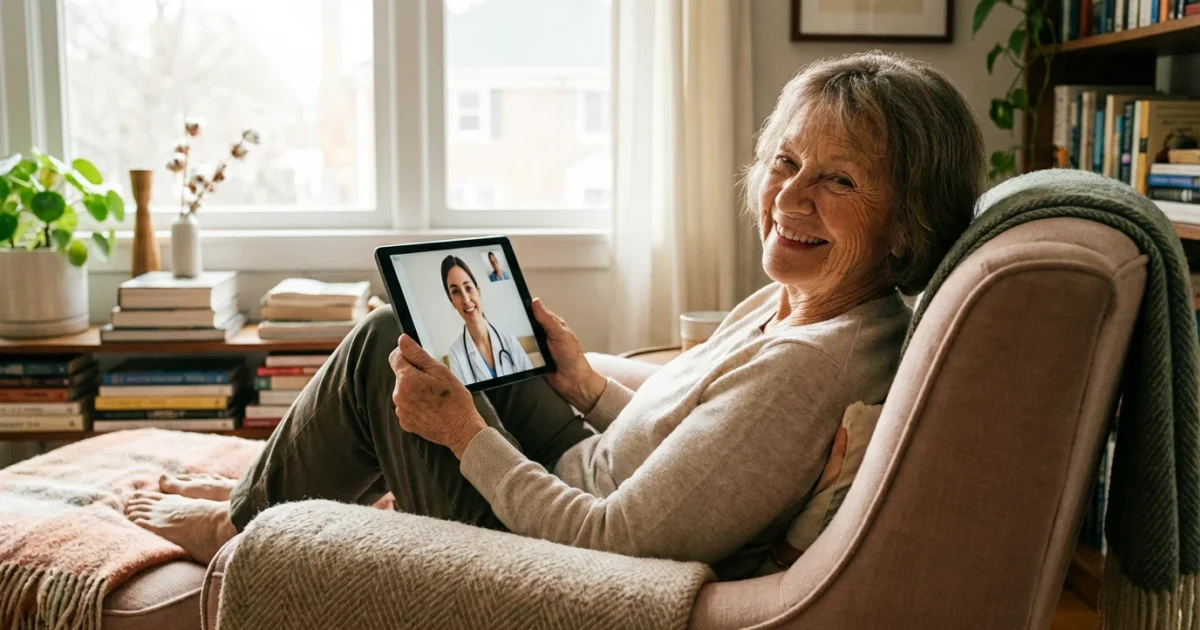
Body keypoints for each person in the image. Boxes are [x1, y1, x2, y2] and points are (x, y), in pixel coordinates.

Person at [125, 51, 985, 580]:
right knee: (416, 331)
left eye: (838, 180)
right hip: (577, 472)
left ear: (907, 223)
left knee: (391, 343)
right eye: (786, 162)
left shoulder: (810, 369)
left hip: (551, 550)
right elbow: (694, 448)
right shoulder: (801, 304)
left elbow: (614, 541)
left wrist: (467, 436)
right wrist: (584, 385)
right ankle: (262, 499)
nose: (788, 197)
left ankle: (235, 527)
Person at [441, 255, 535, 385]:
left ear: (478, 291)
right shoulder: (456, 354)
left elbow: (533, 385)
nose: (466, 300)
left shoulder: (508, 339)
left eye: (468, 288)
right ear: (452, 302)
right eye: (456, 292)